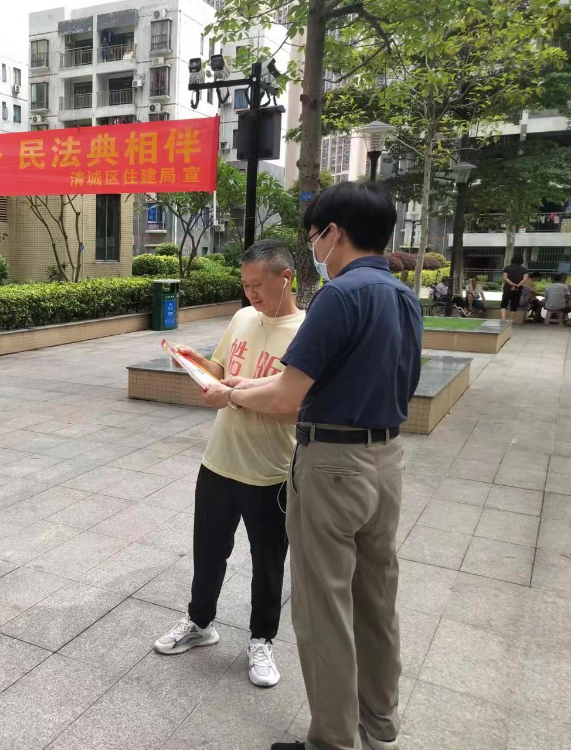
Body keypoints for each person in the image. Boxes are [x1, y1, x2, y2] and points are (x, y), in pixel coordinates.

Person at [207, 181, 422, 750]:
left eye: (314, 236)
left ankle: (331, 740)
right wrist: (243, 386)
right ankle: (379, 723)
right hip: (386, 461)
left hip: (332, 466)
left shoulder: (339, 296)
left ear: (334, 232)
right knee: (376, 600)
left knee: (324, 607)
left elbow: (288, 395)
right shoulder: (402, 295)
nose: (314, 248)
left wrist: (231, 394)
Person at [154, 240, 305, 690]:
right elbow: (220, 372)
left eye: (258, 285)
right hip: (219, 461)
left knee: (268, 562)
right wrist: (195, 362)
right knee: (208, 551)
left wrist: (234, 396)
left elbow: (295, 408)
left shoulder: (306, 333)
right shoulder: (242, 318)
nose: (251, 293)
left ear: (286, 278)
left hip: (270, 471)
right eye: (245, 285)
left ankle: (262, 640)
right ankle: (200, 622)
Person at [500, 254, 527, 320]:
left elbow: (505, 278)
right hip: (518, 288)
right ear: (521, 260)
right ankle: (511, 320)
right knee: (514, 304)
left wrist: (512, 284)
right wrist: (518, 285)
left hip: (508, 287)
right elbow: (525, 279)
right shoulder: (524, 269)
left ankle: (503, 318)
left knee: (504, 304)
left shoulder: (507, 268)